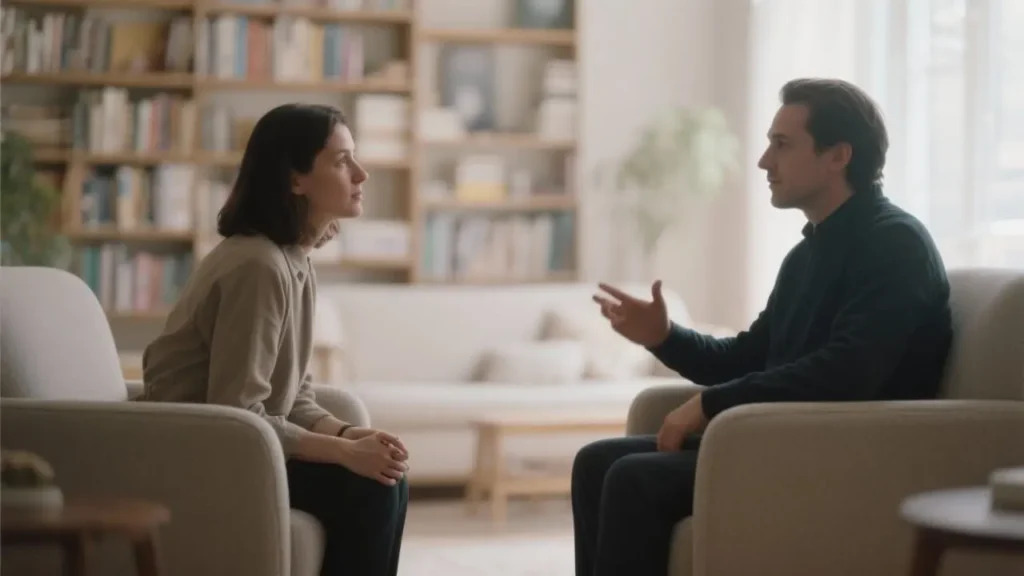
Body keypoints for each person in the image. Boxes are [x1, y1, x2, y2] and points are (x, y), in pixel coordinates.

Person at [573, 78, 953, 576]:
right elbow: (749, 356)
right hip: (786, 438)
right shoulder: (806, 254)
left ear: (838, 155)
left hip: (847, 452)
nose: (763, 162)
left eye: (782, 144)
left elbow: (848, 372)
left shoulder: (894, 244)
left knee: (633, 478)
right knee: (596, 461)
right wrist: (665, 337)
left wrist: (710, 404)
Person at [139, 103, 409, 576]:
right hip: (200, 454)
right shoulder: (257, 266)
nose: (361, 174)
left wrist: (350, 435)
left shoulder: (293, 259)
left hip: (241, 447)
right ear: (294, 179)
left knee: (387, 475)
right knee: (371, 485)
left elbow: (294, 395)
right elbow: (239, 412)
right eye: (342, 161)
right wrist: (345, 453)